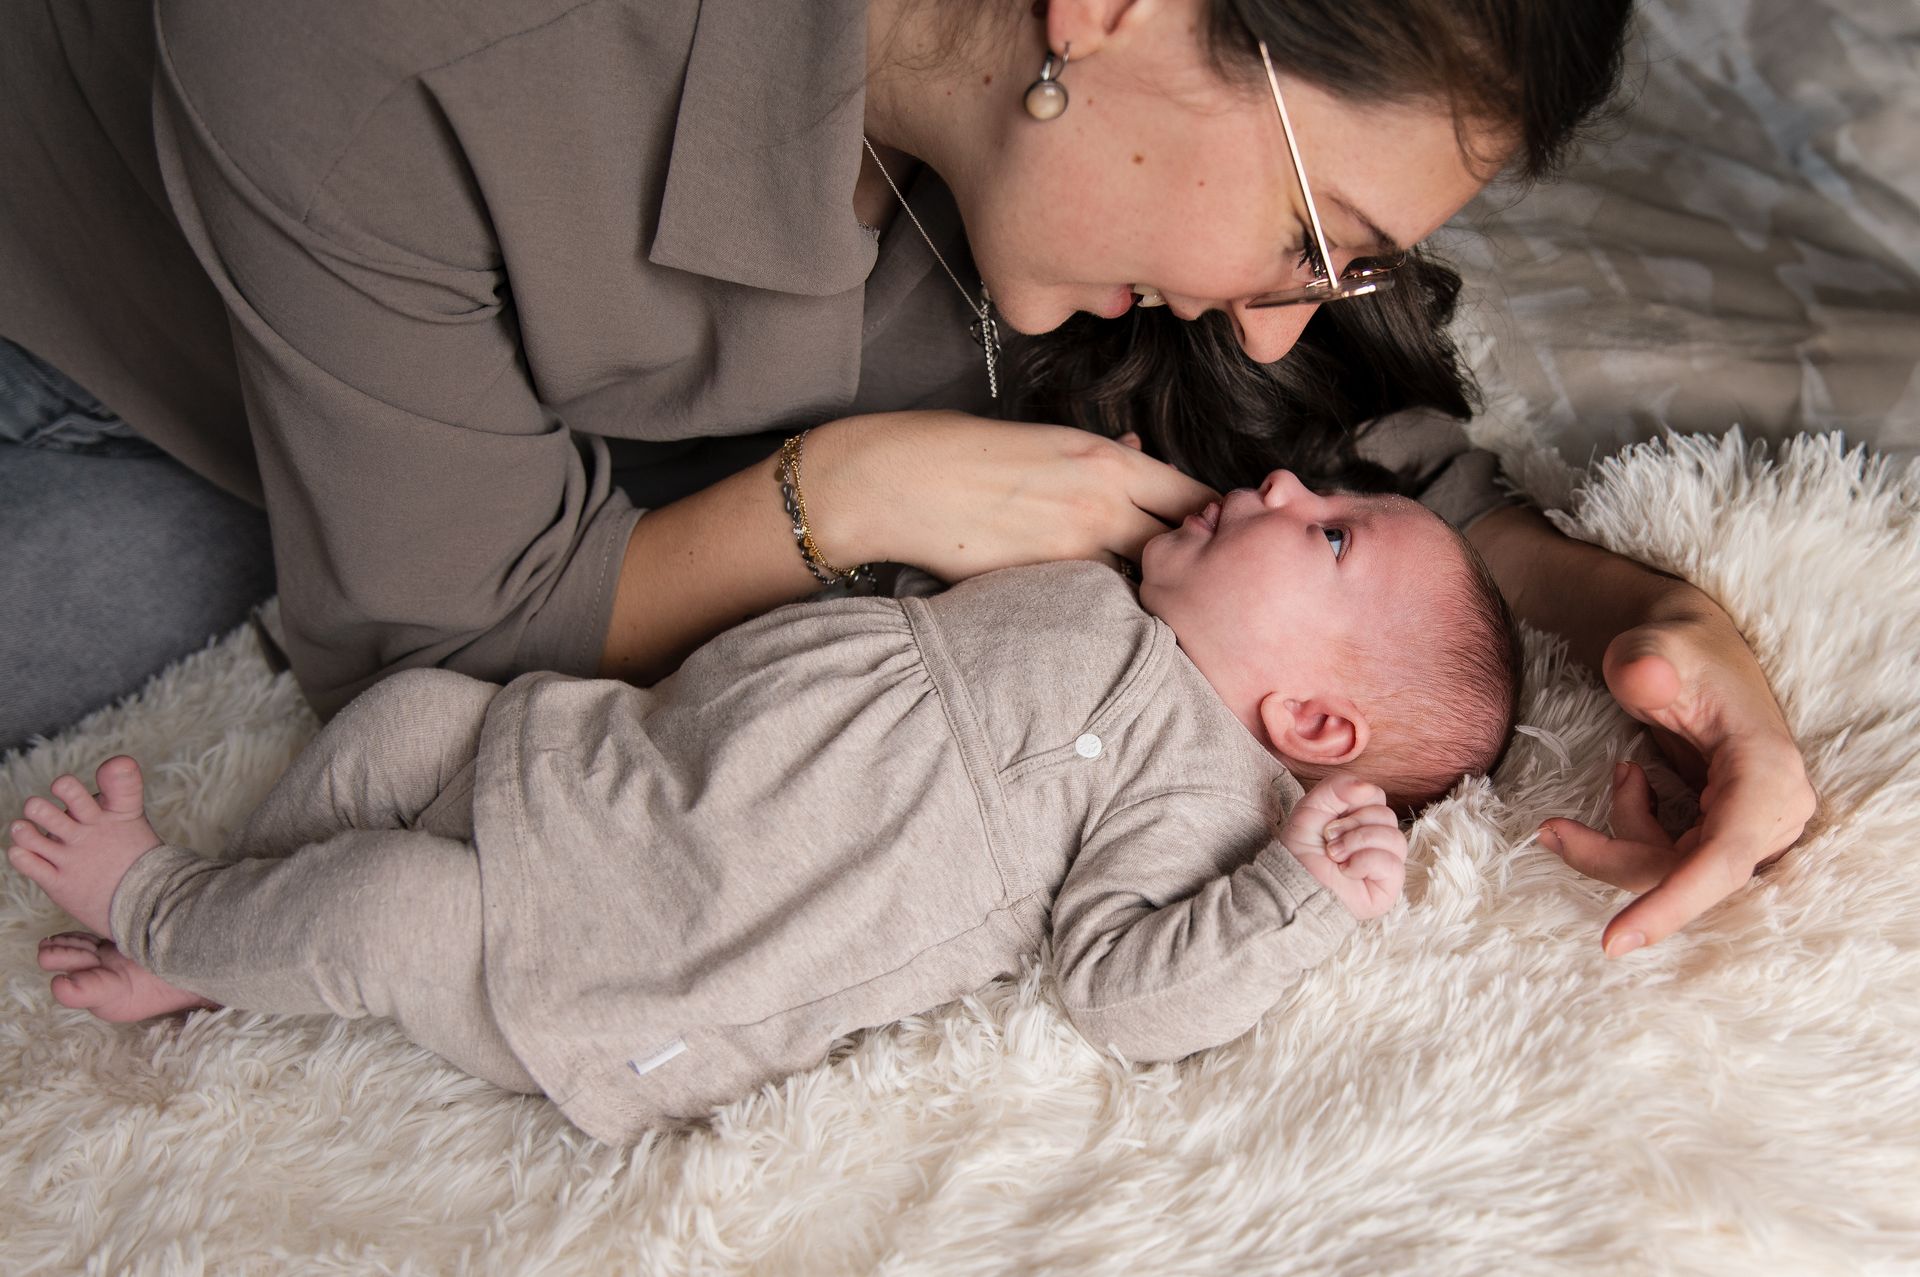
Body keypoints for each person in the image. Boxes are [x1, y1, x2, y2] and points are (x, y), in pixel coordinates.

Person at [0, 0, 1812, 956]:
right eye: (1308, 235)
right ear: (1116, 10)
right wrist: (836, 497)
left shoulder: (1036, 148)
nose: (1275, 333)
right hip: (79, 345)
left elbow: (1312, 453)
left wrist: (1633, 607)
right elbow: (432, 641)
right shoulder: (407, 39)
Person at [10, 468, 1518, 1142]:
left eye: (1326, 531)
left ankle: (159, 907)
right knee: (404, 720)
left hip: (625, 956)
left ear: (1314, 723)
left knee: (397, 913)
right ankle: (209, 944)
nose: (1272, 479)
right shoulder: (1107, 580)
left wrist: (1296, 891)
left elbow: (1123, 987)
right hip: (604, 767)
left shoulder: (1198, 786)